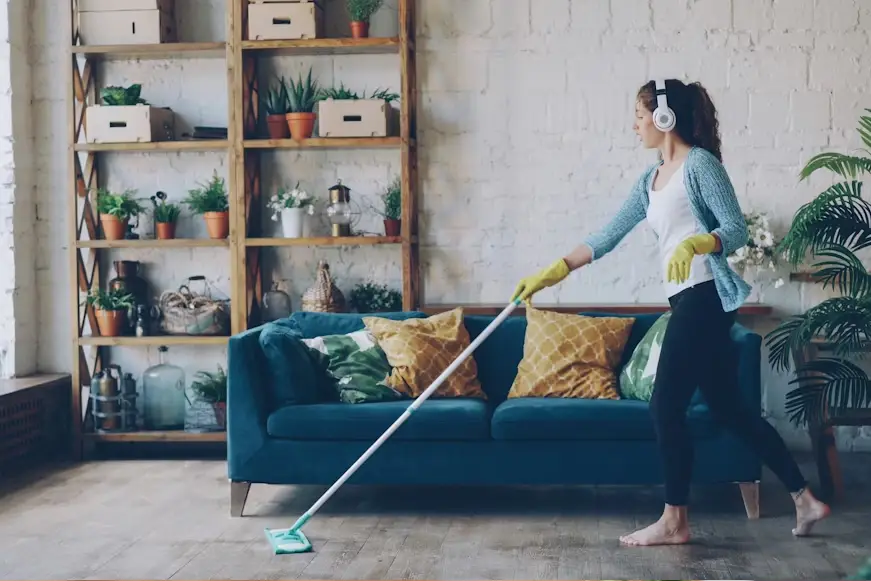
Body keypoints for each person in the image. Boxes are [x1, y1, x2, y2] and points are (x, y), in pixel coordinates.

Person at [511, 78, 830, 547]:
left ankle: (675, 520)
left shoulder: (700, 165)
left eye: (640, 116)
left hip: (705, 295)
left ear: (664, 117)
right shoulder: (651, 180)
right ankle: (805, 498)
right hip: (685, 299)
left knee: (665, 404)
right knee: (728, 408)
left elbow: (735, 229)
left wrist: (699, 242)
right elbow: (607, 235)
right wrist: (553, 271)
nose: (635, 125)